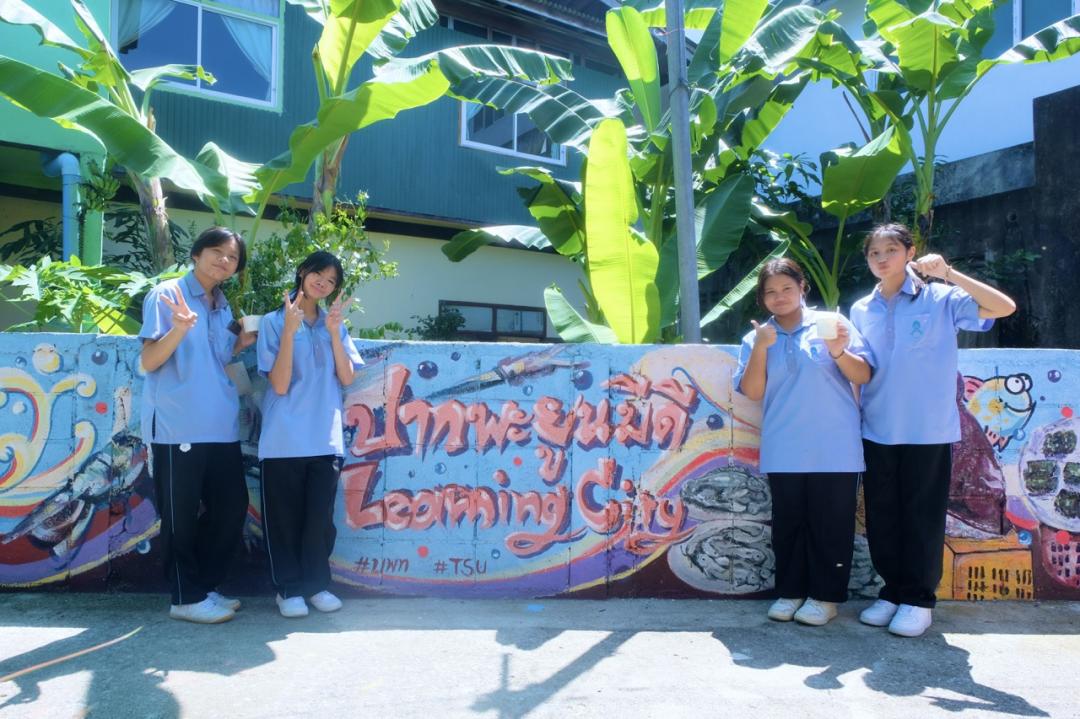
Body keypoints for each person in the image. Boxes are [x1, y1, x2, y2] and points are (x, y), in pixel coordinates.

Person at [850, 223, 1016, 637]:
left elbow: (1003, 307)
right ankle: (892, 592)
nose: (882, 259)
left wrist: (950, 273)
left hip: (928, 430)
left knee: (922, 516)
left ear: (910, 252)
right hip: (877, 427)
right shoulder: (861, 309)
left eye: (891, 250)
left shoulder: (941, 297)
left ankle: (919, 599)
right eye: (874, 253)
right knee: (882, 516)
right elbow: (860, 369)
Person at [734, 258, 873, 626]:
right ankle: (791, 591)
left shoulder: (832, 324)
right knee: (789, 524)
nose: (779, 297)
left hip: (835, 446)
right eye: (770, 292)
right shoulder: (756, 337)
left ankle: (825, 597)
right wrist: (762, 347)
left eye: (787, 288)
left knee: (832, 526)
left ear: (802, 288)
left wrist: (837, 349)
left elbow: (863, 374)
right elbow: (752, 391)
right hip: (784, 445)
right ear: (762, 298)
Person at [140, 227, 255, 624]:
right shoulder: (167, 295)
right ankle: (184, 596)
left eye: (233, 257)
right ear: (196, 253)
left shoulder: (221, 305)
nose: (224, 260)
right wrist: (179, 329)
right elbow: (149, 361)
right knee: (181, 517)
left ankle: (203, 587)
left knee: (231, 507)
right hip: (179, 425)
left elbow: (217, 359)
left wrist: (238, 345)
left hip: (220, 425)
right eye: (217, 252)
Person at [256, 251, 363, 618]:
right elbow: (279, 384)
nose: (323, 283)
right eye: (319, 274)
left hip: (325, 439)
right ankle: (288, 590)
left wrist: (333, 332)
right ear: (302, 272)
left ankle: (316, 585)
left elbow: (347, 377)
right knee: (284, 523)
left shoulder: (335, 324)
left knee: (319, 522)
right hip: (283, 440)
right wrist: (289, 331)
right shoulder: (274, 321)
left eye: (332, 281)